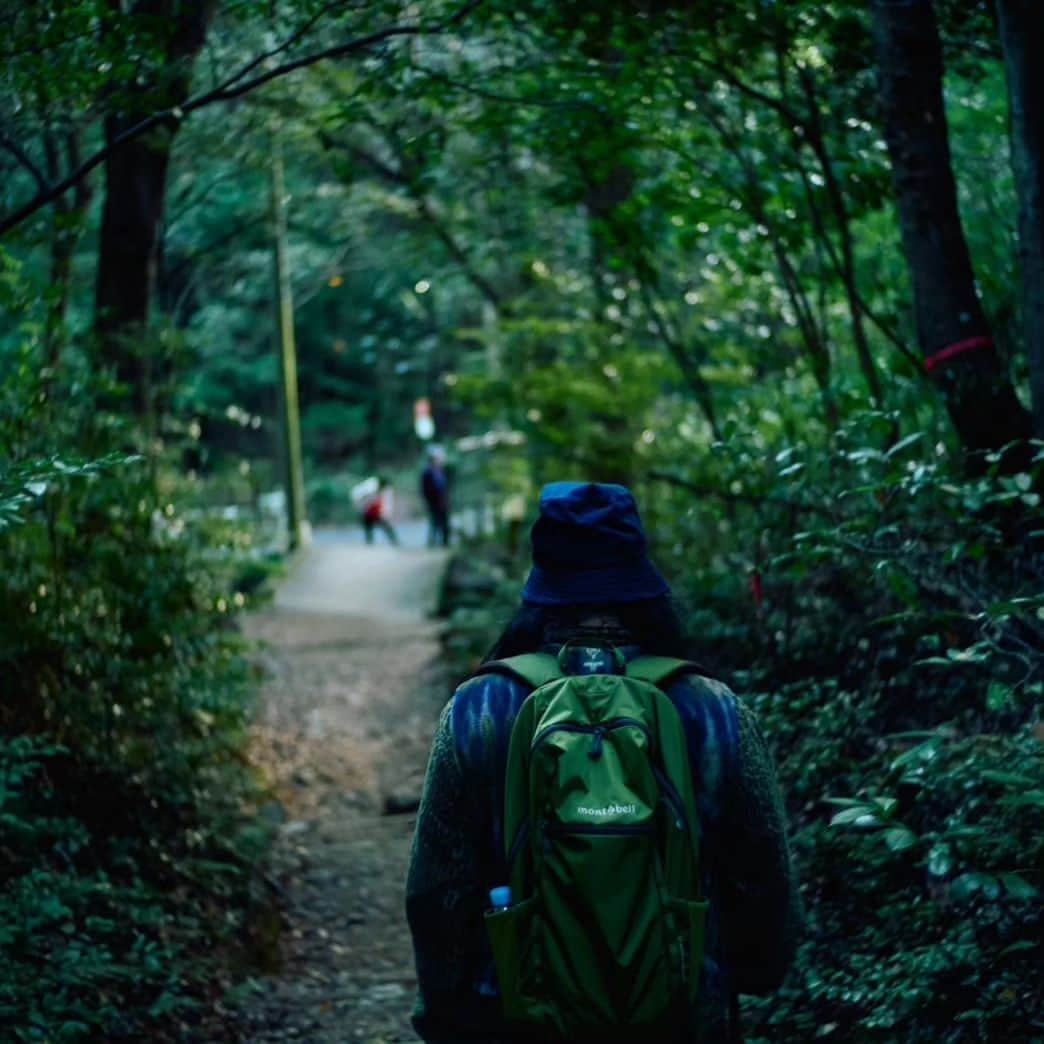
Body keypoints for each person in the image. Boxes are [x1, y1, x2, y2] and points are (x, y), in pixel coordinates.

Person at [407, 481, 799, 1043]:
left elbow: (435, 891)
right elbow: (766, 878)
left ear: (541, 588)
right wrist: (747, 972)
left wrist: (444, 1010)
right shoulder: (713, 709)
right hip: (682, 1017)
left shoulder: (478, 709)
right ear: (642, 583)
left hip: (516, 1018)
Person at [420, 447, 450, 548]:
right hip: (434, 501)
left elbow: (444, 487)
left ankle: (444, 543)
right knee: (435, 522)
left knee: (444, 522)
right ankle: (433, 542)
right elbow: (425, 489)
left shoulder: (441, 470)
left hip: (442, 501)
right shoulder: (427, 472)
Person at [360, 476, 399, 545]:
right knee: (370, 530)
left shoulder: (377, 489)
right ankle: (369, 544)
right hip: (369, 513)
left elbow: (386, 503)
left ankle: (395, 542)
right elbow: (365, 501)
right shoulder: (370, 487)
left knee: (386, 528)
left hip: (374, 513)